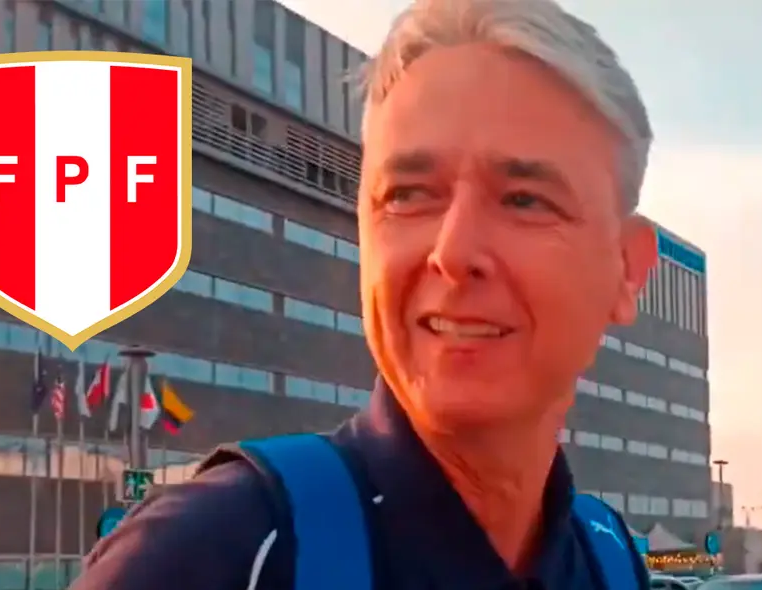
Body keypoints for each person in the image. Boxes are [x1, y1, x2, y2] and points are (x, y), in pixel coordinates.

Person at [70, 0, 657, 588]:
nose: (450, 253)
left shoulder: (609, 561)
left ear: (628, 270)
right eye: (407, 194)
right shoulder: (212, 554)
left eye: (525, 200)